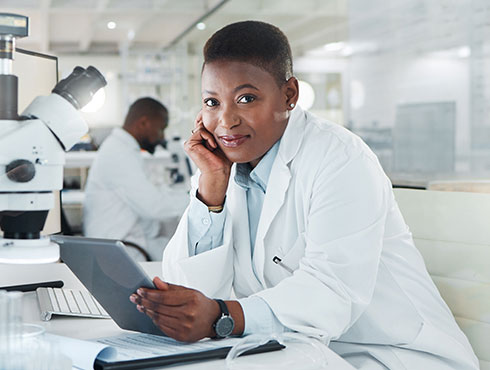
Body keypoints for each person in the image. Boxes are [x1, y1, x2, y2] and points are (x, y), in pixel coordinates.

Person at [129, 22, 479, 369]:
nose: (226, 121)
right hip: (300, 350)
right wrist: (212, 188)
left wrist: (225, 315)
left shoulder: (339, 157)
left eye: (246, 98)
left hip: (392, 354)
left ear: (289, 95)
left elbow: (332, 291)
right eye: (212, 102)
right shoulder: (224, 170)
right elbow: (191, 293)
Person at [83, 97, 188, 261]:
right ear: (144, 123)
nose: (162, 136)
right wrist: (198, 200)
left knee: (181, 245)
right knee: (188, 253)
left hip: (126, 242)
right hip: (122, 250)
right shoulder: (118, 154)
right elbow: (154, 207)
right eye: (161, 128)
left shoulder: (123, 149)